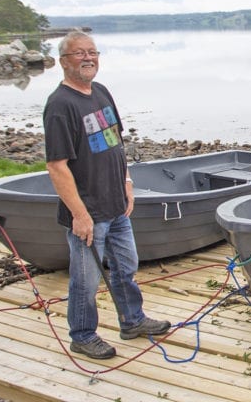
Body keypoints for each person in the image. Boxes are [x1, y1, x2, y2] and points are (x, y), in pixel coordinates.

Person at [44, 31, 170, 359]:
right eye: (78, 53)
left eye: (92, 52)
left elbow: (116, 142)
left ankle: (132, 320)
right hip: (87, 212)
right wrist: (79, 214)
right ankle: (83, 335)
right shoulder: (60, 105)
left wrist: (127, 181)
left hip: (116, 205)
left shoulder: (100, 91)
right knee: (85, 280)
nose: (88, 58)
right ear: (63, 61)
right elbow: (57, 166)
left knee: (126, 266)